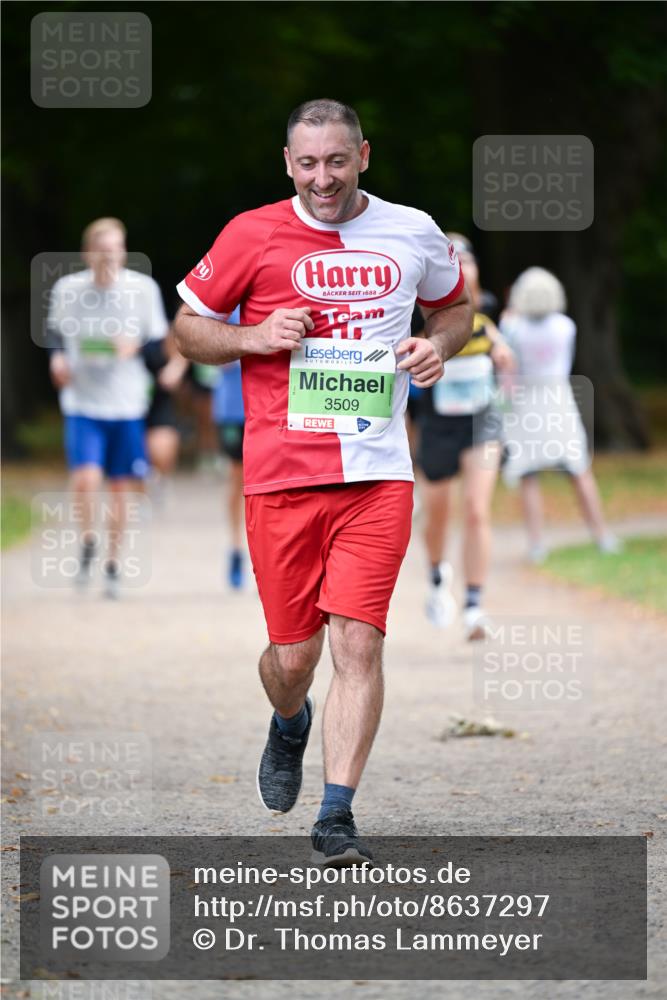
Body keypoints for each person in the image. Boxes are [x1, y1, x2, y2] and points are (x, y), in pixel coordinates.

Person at [173, 99, 473, 865]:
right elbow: (188, 328)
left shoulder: (411, 230)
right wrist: (250, 336)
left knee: (360, 643)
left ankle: (336, 813)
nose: (322, 177)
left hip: (377, 472)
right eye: (307, 163)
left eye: (336, 161)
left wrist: (437, 346)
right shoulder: (250, 233)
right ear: (287, 164)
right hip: (281, 476)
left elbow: (454, 308)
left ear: (363, 156)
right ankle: (288, 721)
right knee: (293, 658)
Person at [47, 217, 169, 597]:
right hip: (82, 401)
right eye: (102, 250)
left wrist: (134, 347)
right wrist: (56, 360)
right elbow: (54, 332)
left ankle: (113, 563)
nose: (109, 256)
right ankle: (87, 539)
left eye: (116, 248)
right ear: (88, 253)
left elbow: (158, 341)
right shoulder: (68, 289)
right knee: (85, 479)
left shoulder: (142, 289)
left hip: (127, 403)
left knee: (121, 489)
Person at [416, 236, 514, 640]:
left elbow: (504, 353)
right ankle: (438, 575)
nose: (463, 266)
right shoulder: (417, 312)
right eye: (454, 259)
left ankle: (474, 606)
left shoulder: (489, 311)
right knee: (438, 512)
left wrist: (505, 356)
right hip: (437, 423)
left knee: (476, 508)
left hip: (483, 421)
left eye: (468, 259)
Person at [499, 267, 621, 562]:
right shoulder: (565, 326)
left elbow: (507, 368)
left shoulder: (513, 327)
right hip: (558, 399)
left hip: (525, 403)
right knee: (578, 469)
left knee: (528, 474)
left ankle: (537, 543)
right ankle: (601, 534)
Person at [211, 306, 246, 589]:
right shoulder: (224, 305)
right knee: (239, 479)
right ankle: (236, 548)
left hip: (276, 405)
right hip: (234, 408)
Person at [142, 330, 189, 505]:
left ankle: (159, 478)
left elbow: (181, 341)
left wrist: (176, 367)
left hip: (157, 393)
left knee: (163, 444)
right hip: (123, 397)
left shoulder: (159, 325)